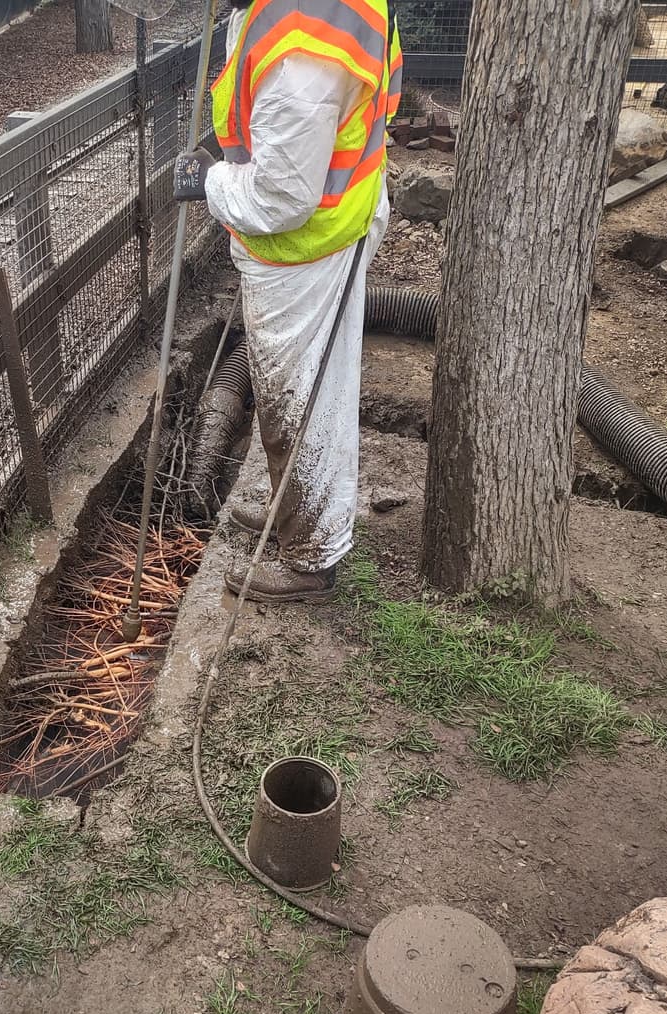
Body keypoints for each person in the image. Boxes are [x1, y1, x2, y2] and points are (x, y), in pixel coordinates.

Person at [174, 0, 402, 604]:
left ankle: (310, 558)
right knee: (302, 391)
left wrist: (211, 182)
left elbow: (281, 195)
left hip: (304, 245)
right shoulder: (294, 12)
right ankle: (293, 508)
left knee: (298, 397)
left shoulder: (301, 38)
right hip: (333, 222)